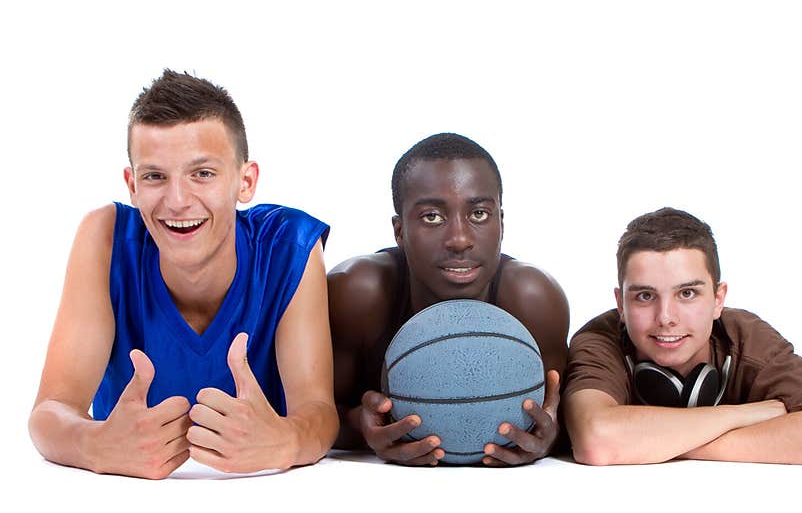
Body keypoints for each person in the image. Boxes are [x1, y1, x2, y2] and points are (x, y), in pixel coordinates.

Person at [29, 70, 338, 478]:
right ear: (132, 185)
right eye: (155, 176)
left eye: (202, 174)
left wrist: (288, 440)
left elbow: (319, 411)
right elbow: (49, 412)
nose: (177, 201)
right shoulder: (104, 238)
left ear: (245, 181)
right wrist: (95, 445)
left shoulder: (289, 245)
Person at [329, 133, 569, 467]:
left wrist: (550, 436)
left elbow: (561, 417)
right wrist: (361, 425)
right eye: (432, 217)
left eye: (480, 214)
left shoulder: (533, 300)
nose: (459, 239)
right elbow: (306, 412)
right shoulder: (359, 294)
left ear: (502, 222)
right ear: (399, 231)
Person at [563, 207, 802, 466]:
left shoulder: (747, 338)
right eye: (644, 296)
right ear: (621, 305)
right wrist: (739, 416)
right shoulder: (598, 340)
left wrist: (657, 443)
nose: (666, 317)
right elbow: (597, 439)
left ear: (718, 299)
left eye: (687, 293)